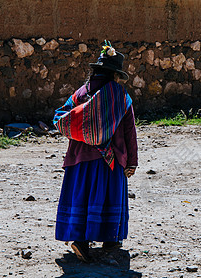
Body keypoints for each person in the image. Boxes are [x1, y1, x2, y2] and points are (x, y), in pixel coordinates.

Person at [53, 42, 138, 263]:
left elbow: (61, 116)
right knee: (108, 198)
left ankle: (79, 240)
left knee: (81, 197)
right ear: (115, 75)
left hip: (81, 157)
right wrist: (132, 161)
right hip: (110, 158)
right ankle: (110, 238)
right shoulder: (120, 95)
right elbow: (129, 129)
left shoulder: (81, 93)